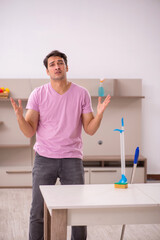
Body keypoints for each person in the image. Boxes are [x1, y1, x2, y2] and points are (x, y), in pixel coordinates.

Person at [10, 50, 111, 240]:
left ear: (66, 66)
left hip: (72, 159)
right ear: (47, 71)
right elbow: (29, 131)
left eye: (60, 62)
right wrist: (19, 117)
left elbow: (89, 129)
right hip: (44, 159)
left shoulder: (81, 93)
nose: (57, 66)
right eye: (52, 64)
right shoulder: (38, 94)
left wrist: (100, 114)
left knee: (77, 211)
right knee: (37, 210)